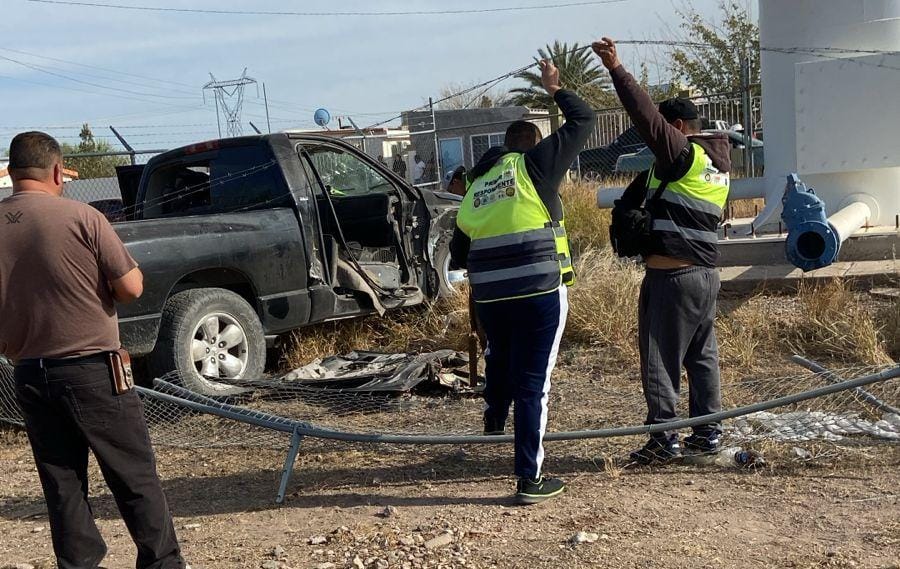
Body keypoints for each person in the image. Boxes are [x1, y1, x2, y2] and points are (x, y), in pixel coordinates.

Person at [0, 132, 185, 569]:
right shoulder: (83, 217)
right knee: (133, 474)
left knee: (62, 484)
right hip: (93, 369)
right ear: (57, 172)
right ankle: (162, 563)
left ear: (11, 172)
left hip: (29, 372)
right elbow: (131, 287)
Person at [450, 59, 595, 504]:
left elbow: (458, 251)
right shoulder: (536, 166)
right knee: (535, 384)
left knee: (500, 355)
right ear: (534, 145)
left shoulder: (479, 185)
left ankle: (495, 418)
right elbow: (584, 119)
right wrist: (554, 88)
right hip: (539, 292)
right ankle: (529, 479)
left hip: (491, 297)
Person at [592, 38, 731, 464]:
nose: (656, 141)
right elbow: (635, 199)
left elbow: (645, 115)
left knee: (659, 359)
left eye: (664, 132)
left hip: (671, 278)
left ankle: (663, 439)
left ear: (678, 127)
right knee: (701, 358)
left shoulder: (681, 154)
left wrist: (616, 69)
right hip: (704, 276)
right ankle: (707, 434)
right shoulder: (714, 166)